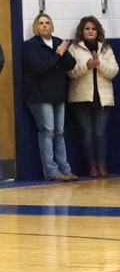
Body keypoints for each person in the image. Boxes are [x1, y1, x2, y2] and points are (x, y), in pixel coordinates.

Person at [22, 13, 76, 181]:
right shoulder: (30, 46)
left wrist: (63, 53)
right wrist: (58, 55)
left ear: (52, 26)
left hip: (58, 94)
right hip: (39, 95)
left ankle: (65, 169)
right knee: (47, 131)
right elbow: (39, 68)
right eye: (41, 23)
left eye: (47, 23)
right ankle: (52, 172)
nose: (44, 25)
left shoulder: (59, 42)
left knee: (59, 132)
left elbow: (71, 65)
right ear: (36, 27)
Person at [67, 16, 118, 178]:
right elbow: (71, 72)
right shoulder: (74, 49)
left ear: (98, 31)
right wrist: (87, 66)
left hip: (103, 98)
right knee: (87, 134)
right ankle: (92, 166)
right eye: (87, 28)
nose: (90, 31)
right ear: (82, 31)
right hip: (81, 99)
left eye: (93, 29)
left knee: (100, 133)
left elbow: (114, 71)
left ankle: (102, 165)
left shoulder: (106, 49)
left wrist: (99, 64)